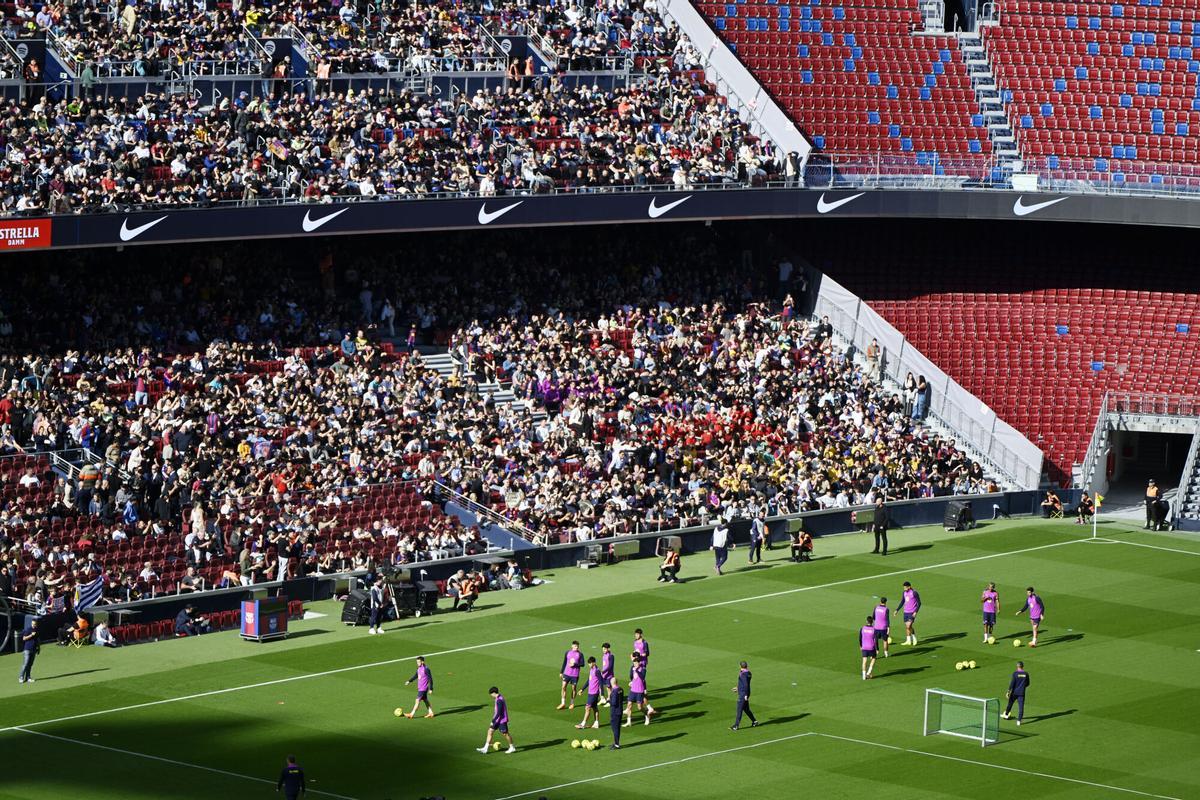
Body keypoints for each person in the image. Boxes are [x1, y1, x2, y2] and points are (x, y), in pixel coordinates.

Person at [478, 687, 516, 754]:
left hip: (501, 720)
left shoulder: (499, 700)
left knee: (506, 734)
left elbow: (498, 712)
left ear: (493, 693)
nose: (491, 696)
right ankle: (485, 748)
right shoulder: (498, 698)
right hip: (497, 720)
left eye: (491, 694)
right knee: (490, 731)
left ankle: (512, 747)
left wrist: (493, 720)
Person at [623, 653, 655, 726]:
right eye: (634, 663)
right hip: (633, 690)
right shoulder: (633, 668)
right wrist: (631, 682)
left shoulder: (643, 669)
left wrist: (636, 670)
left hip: (639, 690)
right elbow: (632, 676)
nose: (634, 664)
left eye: (636, 663)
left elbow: (642, 677)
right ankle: (629, 721)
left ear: (639, 663)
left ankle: (647, 715)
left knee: (640, 707)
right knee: (629, 705)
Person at [730, 660, 758, 730]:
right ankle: (754, 721)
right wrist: (738, 688)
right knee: (746, 709)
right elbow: (745, 684)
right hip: (746, 692)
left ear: (740, 666)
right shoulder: (749, 673)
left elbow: (745, 684)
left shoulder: (742, 674)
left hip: (743, 694)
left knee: (739, 709)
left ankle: (736, 726)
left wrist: (745, 694)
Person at [576, 657, 602, 730]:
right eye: (589, 663)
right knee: (594, 707)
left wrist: (602, 694)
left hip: (594, 693)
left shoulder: (597, 671)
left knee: (587, 708)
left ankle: (583, 724)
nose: (589, 665)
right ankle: (596, 723)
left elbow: (601, 682)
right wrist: (582, 689)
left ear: (594, 663)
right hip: (590, 692)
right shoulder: (591, 670)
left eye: (590, 663)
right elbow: (588, 680)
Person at [558, 640, 584, 710]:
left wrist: (574, 664)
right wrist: (561, 672)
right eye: (575, 646)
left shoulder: (580, 654)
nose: (576, 647)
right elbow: (564, 662)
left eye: (577, 646)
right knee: (563, 687)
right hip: (566, 673)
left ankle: (572, 703)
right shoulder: (567, 652)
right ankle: (563, 703)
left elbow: (582, 664)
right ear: (572, 646)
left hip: (575, 675)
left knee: (573, 688)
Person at [18, 617, 39, 683]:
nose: (33, 625)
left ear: (36, 624)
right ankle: (21, 677)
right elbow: (24, 638)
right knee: (26, 663)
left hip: (34, 650)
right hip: (27, 649)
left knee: (30, 664)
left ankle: (28, 677)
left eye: (35, 624)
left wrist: (38, 648)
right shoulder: (28, 629)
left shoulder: (37, 630)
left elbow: (37, 640)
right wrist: (31, 635)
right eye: (33, 624)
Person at [901, 581, 921, 645]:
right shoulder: (904, 592)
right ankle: (908, 641)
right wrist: (897, 610)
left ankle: (914, 638)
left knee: (908, 626)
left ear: (909, 587)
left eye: (905, 587)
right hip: (905, 612)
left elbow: (919, 603)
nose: (904, 588)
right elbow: (902, 601)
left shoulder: (914, 593)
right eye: (904, 587)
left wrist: (915, 612)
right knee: (908, 627)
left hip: (912, 612)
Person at [608, 676, 625, 749]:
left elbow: (614, 702)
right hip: (620, 710)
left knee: (615, 728)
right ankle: (616, 743)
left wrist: (609, 701)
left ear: (611, 683)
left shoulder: (614, 691)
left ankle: (617, 744)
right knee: (617, 727)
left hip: (615, 712)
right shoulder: (620, 689)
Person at [860, 614, 878, 680]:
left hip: (864, 647)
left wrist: (861, 646)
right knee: (874, 658)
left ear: (866, 621)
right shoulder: (874, 629)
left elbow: (860, 638)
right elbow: (876, 640)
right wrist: (877, 648)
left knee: (864, 661)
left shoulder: (862, 628)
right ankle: (868, 672)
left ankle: (863, 676)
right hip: (871, 647)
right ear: (872, 622)